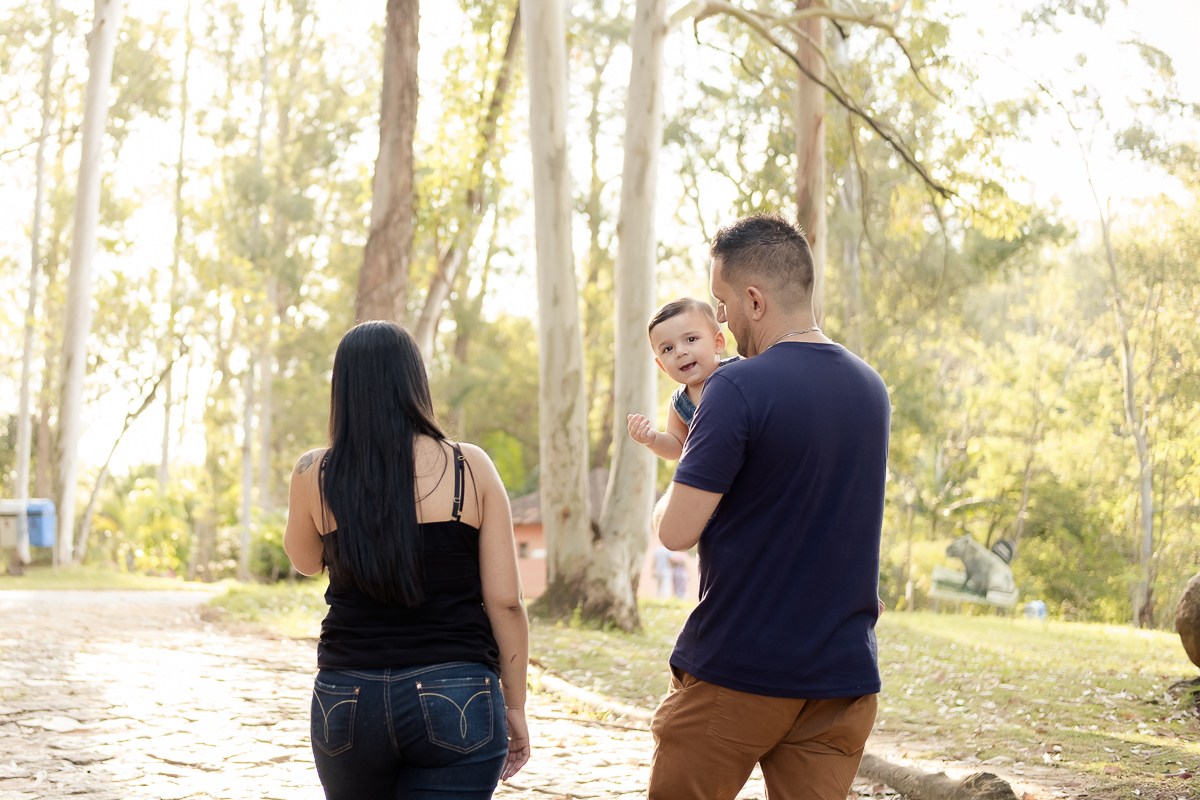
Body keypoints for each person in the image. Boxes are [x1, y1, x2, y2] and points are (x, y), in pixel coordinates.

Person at [648, 214, 891, 800]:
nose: (721, 319)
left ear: (754, 300)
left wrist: (678, 472)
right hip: (842, 679)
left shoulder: (738, 387)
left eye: (722, 303)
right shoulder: (870, 387)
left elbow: (676, 531)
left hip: (741, 669)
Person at [284, 321, 530, 800]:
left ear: (344, 389)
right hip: (458, 688)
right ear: (415, 382)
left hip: (347, 695)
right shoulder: (470, 466)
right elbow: (505, 602)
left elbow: (305, 560)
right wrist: (515, 707)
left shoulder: (314, 470)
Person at [627, 297, 740, 461]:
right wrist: (652, 439)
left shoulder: (739, 372)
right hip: (718, 476)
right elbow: (678, 447)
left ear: (718, 342)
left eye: (691, 339)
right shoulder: (680, 403)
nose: (680, 352)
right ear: (662, 366)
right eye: (668, 348)